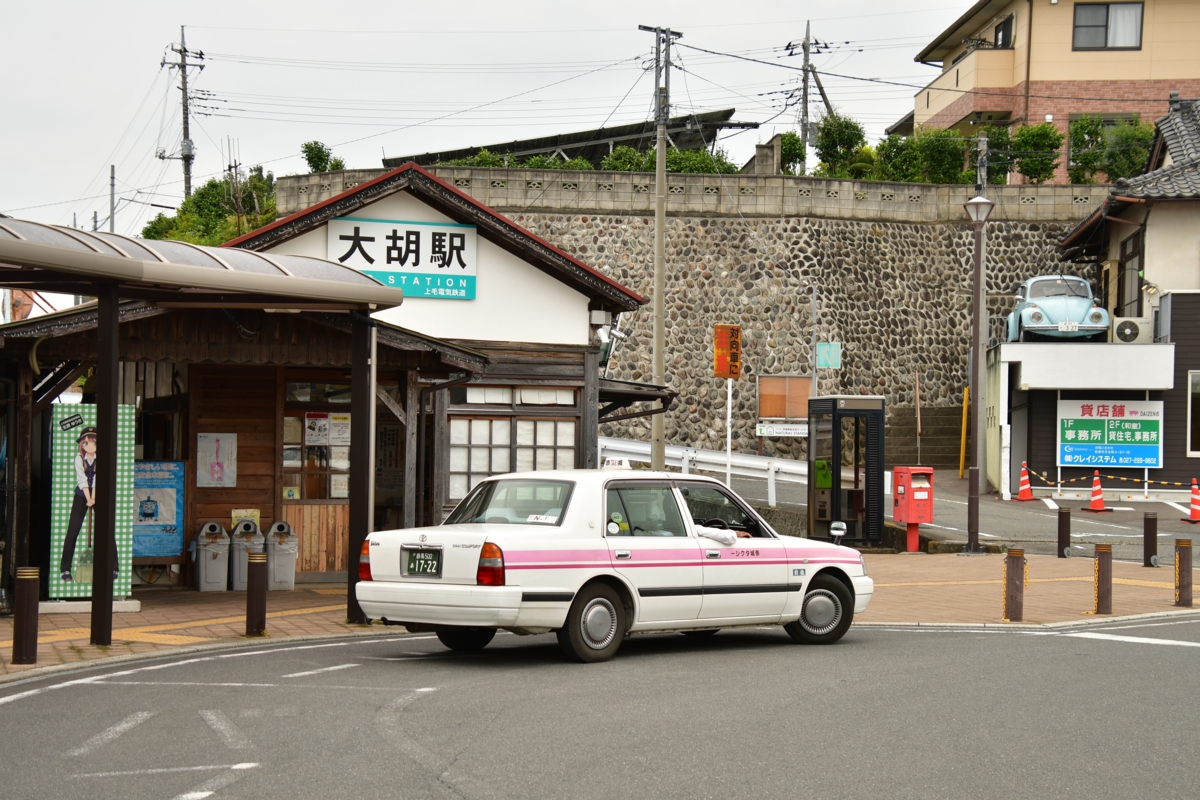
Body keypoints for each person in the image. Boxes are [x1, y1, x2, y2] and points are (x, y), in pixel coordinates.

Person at [59, 427, 118, 582]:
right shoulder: (79, 458)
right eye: (86, 443)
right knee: (72, 531)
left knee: (107, 530)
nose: (90, 446)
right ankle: (65, 569)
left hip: (100, 494)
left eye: (94, 443)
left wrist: (94, 497)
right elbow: (81, 479)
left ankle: (113, 567)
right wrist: (88, 497)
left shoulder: (102, 458)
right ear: (82, 445)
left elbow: (99, 479)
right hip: (81, 495)